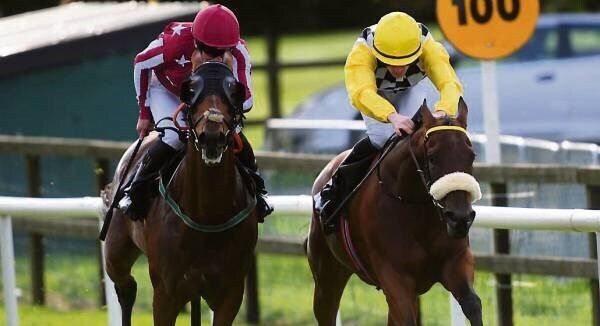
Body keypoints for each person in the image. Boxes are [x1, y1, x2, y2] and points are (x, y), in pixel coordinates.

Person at [119, 4, 273, 221]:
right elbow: (141, 63)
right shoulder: (174, 43)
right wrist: (144, 113)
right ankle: (134, 191)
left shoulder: (239, 52)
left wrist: (223, 102)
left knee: (234, 135)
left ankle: (259, 191)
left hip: (207, 99)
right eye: (209, 51)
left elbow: (247, 102)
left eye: (221, 52)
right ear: (196, 42)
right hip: (168, 91)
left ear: (232, 46)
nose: (214, 57)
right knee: (173, 136)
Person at [318, 12, 464, 232]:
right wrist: (392, 116)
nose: (397, 69)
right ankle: (333, 193)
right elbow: (361, 93)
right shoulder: (362, 51)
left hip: (413, 86)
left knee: (419, 137)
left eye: (404, 62)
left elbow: (449, 83)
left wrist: (445, 109)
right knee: (382, 138)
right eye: (390, 62)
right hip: (374, 91)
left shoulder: (429, 46)